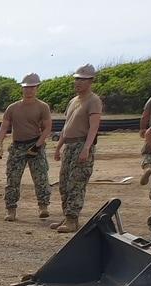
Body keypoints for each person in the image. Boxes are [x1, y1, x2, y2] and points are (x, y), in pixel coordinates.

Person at [51, 64, 104, 234]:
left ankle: (72, 220)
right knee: (64, 184)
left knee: (76, 184)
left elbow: (94, 127)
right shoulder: (73, 101)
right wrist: (59, 147)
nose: (78, 82)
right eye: (76, 79)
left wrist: (86, 148)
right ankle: (67, 216)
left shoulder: (93, 100)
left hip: (82, 144)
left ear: (90, 81)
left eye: (82, 79)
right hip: (69, 145)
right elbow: (67, 126)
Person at [0, 73, 53, 222]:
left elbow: (47, 128)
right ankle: (11, 209)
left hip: (35, 144)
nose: (29, 90)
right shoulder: (13, 108)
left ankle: (43, 206)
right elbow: (4, 126)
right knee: (12, 179)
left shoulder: (42, 107)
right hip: (17, 146)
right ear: (22, 88)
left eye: (32, 87)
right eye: (26, 88)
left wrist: (37, 145)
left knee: (41, 178)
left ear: (37, 88)